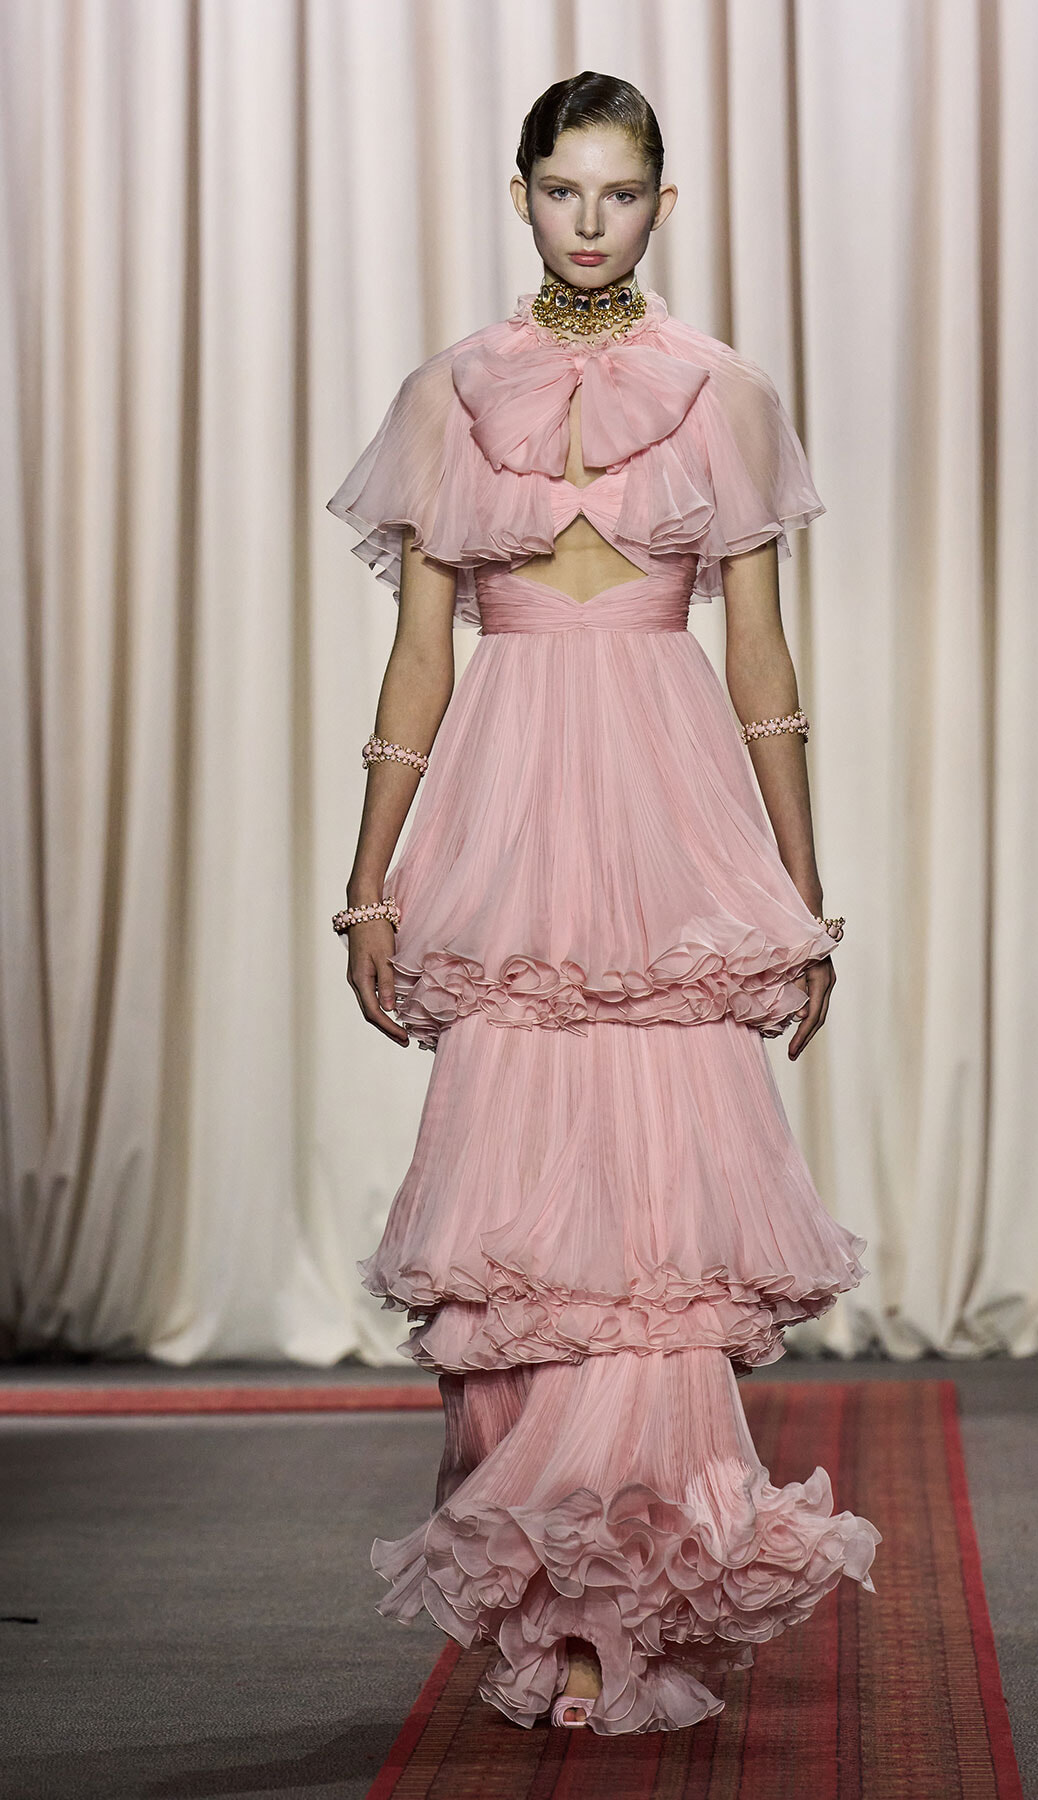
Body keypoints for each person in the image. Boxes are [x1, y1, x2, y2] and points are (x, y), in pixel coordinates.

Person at [326, 71, 880, 1737]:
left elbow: (763, 658)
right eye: (562, 189)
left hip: (667, 811)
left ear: (662, 204)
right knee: (514, 1226)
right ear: (519, 196)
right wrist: (368, 879)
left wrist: (801, 881)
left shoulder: (724, 391)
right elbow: (421, 651)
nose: (589, 219)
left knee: (656, 1226)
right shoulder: (451, 393)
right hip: (507, 819)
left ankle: (629, 1597)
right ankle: (555, 1594)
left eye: (619, 193)